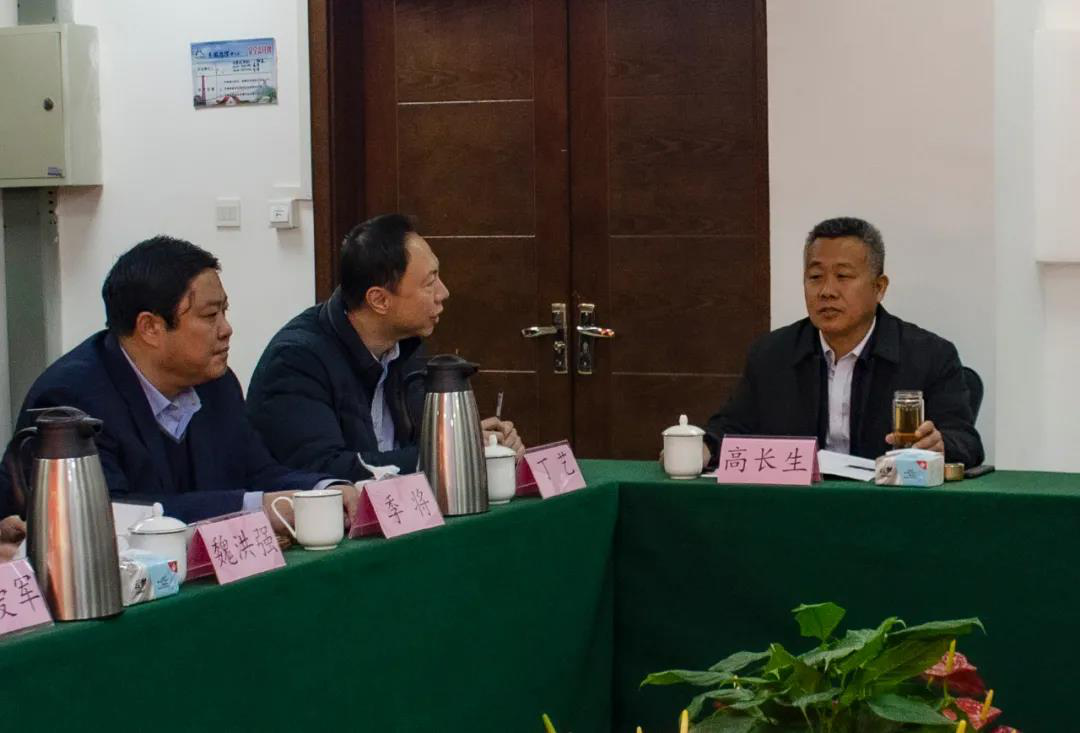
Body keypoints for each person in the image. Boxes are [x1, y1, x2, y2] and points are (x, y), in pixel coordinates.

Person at [0, 236, 356, 528]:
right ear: (150, 327)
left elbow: (258, 472)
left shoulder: (215, 383)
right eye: (210, 315)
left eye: (225, 311)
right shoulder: (71, 399)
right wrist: (255, 507)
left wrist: (324, 489)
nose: (226, 329)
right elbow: (111, 515)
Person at [247, 214, 523, 481]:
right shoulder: (297, 361)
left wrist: (472, 441)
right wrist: (447, 454)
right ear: (379, 300)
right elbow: (324, 471)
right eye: (430, 283)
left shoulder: (406, 347)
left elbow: (421, 445)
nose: (443, 293)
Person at [706, 216, 984, 468]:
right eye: (815, 277)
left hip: (887, 501)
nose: (827, 291)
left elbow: (966, 441)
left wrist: (941, 445)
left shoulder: (930, 355)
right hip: (797, 502)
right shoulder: (771, 354)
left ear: (879, 288)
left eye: (843, 277)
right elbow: (730, 430)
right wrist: (703, 448)